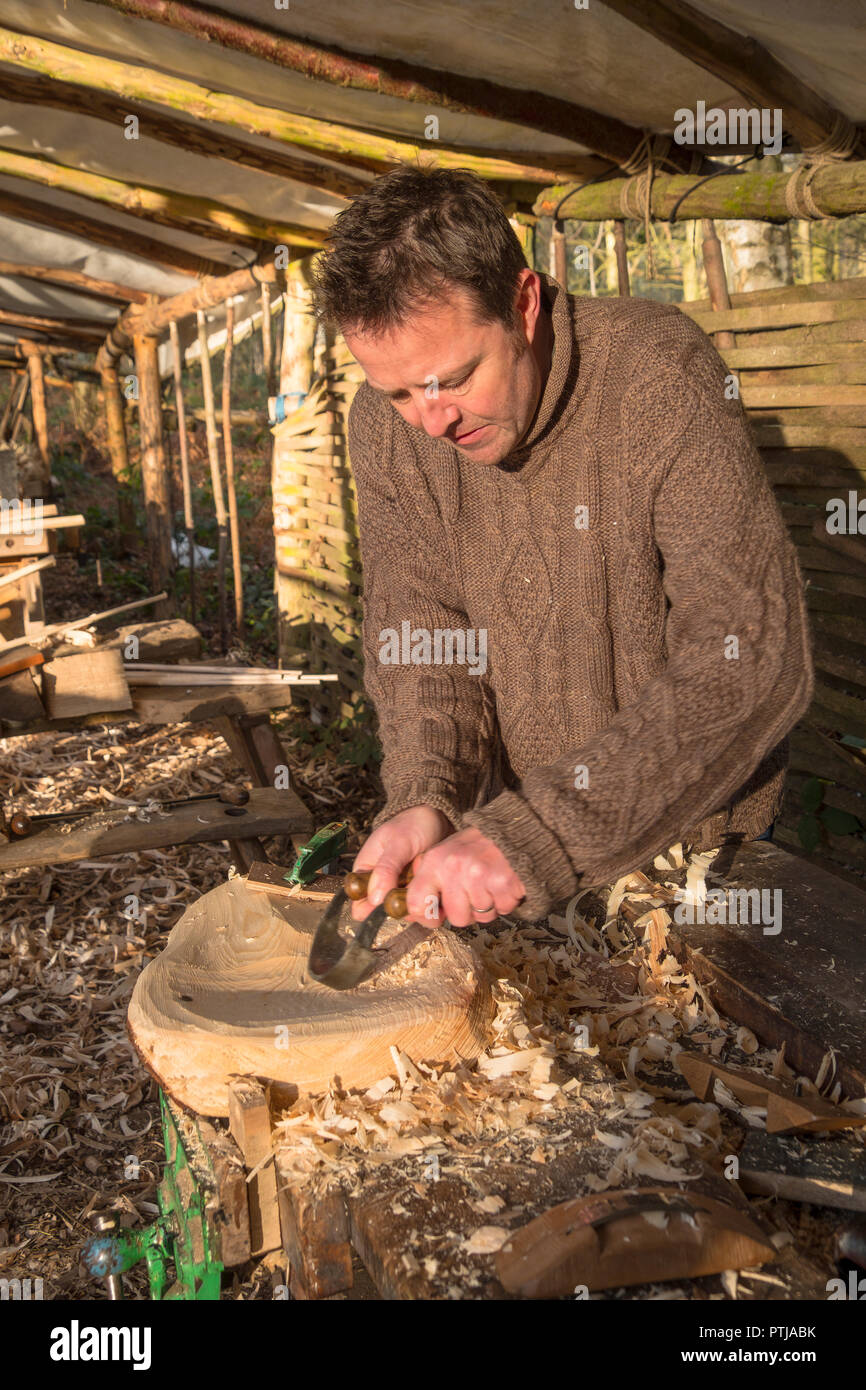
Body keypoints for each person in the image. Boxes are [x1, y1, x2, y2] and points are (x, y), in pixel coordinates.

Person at [311, 165, 814, 932]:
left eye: (454, 379)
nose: (430, 421)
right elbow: (424, 637)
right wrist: (424, 795)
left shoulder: (656, 375)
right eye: (399, 392)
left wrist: (545, 832)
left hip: (693, 848)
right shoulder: (387, 431)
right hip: (510, 847)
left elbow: (747, 648)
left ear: (523, 302)